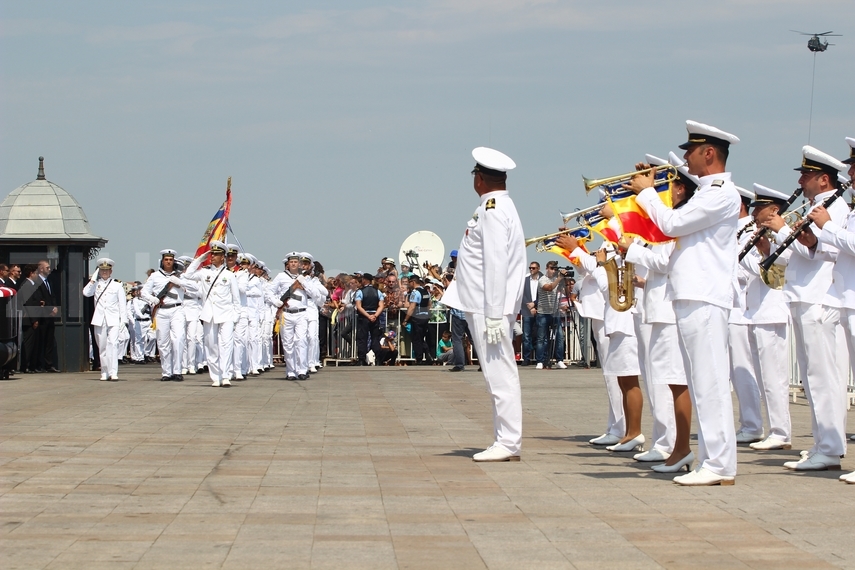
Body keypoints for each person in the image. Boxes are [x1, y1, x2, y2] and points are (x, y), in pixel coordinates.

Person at [624, 120, 741, 486]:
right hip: (692, 294)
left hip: (705, 295)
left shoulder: (719, 192)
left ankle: (720, 464)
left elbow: (672, 224)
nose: (686, 157)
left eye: (691, 151)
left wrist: (646, 194)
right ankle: (712, 461)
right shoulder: (709, 191)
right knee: (701, 381)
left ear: (709, 153)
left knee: (710, 383)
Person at [441, 146, 526, 462]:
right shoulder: (498, 207)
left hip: (487, 306)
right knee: (497, 373)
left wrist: (493, 314)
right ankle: (505, 440)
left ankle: (508, 442)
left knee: (498, 374)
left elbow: (496, 264)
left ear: (480, 179)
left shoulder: (492, 210)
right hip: (487, 305)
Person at [770, 145, 850, 472]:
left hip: (819, 295)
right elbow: (808, 252)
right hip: (803, 293)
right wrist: (785, 238)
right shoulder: (819, 205)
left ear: (823, 179)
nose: (801, 180)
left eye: (807, 175)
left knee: (823, 375)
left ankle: (830, 446)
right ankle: (821, 443)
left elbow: (833, 251)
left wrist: (802, 235)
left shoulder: (837, 207)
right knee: (810, 375)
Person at [621, 154, 696, 471]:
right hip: (659, 307)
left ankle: (674, 445)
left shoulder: (676, 219)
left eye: (667, 185)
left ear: (680, 189)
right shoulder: (668, 218)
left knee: (673, 381)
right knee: (662, 381)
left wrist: (632, 250)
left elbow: (666, 262)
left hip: (668, 310)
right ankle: (666, 442)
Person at [740, 184, 794, 452]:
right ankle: (773, 428)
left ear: (774, 210)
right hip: (756, 311)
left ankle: (781, 431)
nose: (754, 213)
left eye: (759, 208)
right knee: (764, 377)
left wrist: (761, 251)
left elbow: (777, 268)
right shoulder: (757, 233)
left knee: (774, 378)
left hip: (771, 311)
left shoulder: (779, 234)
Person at [728, 187, 765, 444]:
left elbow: (754, 271)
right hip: (730, 306)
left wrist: (731, 258)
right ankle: (746, 422)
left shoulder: (751, 231)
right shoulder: (734, 232)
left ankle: (752, 424)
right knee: (733, 371)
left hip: (741, 308)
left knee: (743, 370)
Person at [184, 241, 241, 387]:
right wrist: (200, 259)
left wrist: (236, 317)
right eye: (212, 254)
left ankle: (226, 375)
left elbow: (236, 299)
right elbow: (187, 275)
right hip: (209, 314)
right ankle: (216, 376)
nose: (213, 256)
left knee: (226, 345)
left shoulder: (229, 275)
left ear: (223, 257)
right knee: (211, 345)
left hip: (227, 314)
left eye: (216, 254)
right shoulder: (204, 272)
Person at [141, 249, 187, 382]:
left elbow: (192, 289)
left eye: (171, 260)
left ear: (174, 261)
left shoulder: (180, 276)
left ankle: (177, 371)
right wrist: (152, 300)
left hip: (177, 309)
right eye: (166, 259)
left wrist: (180, 283)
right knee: (162, 342)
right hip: (162, 310)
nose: (168, 262)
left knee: (178, 339)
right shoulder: (155, 276)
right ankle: (166, 372)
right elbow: (144, 292)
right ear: (162, 261)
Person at [265, 252, 312, 380]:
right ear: (287, 264)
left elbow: (313, 292)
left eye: (296, 262)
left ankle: (302, 370)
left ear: (300, 264)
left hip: (301, 313)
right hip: (287, 313)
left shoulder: (305, 277)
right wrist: (276, 302)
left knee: (301, 341)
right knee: (288, 343)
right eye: (291, 262)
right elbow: (269, 291)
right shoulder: (281, 276)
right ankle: (291, 371)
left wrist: (305, 285)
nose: (293, 264)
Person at [82, 258, 127, 381]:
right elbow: (86, 293)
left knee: (113, 344)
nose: (105, 272)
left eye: (107, 270)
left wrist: (124, 319)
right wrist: (93, 279)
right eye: (102, 270)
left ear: (111, 271)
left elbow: (122, 304)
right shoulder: (95, 284)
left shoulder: (117, 285)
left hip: (113, 319)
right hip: (99, 319)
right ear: (99, 271)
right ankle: (104, 371)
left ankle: (113, 372)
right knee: (102, 346)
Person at [535, 260, 567, 370]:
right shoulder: (542, 279)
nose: (553, 270)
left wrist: (563, 279)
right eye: (551, 268)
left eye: (555, 268)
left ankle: (559, 360)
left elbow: (563, 290)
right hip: (543, 313)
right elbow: (549, 288)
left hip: (554, 313)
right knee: (542, 338)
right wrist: (559, 278)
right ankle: (540, 361)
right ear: (547, 268)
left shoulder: (557, 279)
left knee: (559, 337)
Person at [354, 271, 385, 366]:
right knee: (375, 338)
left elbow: (359, 306)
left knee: (362, 338)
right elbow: (381, 306)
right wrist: (375, 315)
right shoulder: (378, 291)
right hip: (374, 316)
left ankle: (361, 359)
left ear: (365, 280)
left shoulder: (360, 291)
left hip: (364, 317)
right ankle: (379, 358)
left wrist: (368, 316)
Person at [402, 275, 433, 365]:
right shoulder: (426, 291)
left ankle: (419, 358)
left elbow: (412, 307)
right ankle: (428, 354)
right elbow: (429, 304)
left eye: (409, 282)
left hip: (417, 318)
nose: (408, 284)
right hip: (425, 317)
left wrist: (405, 320)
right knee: (421, 337)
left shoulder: (415, 292)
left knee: (416, 339)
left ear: (413, 282)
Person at [519, 261, 541, 365]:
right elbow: (521, 295)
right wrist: (529, 306)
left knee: (539, 335)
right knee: (526, 336)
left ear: (538, 269)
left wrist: (535, 305)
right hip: (527, 311)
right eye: (530, 268)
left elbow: (545, 294)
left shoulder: (543, 279)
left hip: (540, 310)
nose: (531, 270)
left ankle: (539, 358)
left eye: (533, 268)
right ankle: (526, 358)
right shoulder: (525, 280)